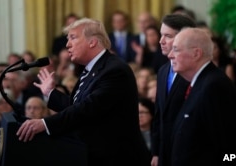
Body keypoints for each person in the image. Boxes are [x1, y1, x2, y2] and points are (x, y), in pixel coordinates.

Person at [16, 17, 151, 166]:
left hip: (117, 158)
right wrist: (51, 93)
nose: (67, 45)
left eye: (73, 38)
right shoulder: (92, 69)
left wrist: (45, 123)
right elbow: (77, 105)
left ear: (92, 42)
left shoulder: (114, 70)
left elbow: (87, 109)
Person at [167, 27, 236, 166]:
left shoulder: (214, 86)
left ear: (196, 54)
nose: (170, 55)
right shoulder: (200, 83)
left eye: (176, 49)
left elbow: (230, 149)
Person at [150, 14, 196, 166]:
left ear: (184, 38)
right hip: (164, 153)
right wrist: (156, 152)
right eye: (161, 35)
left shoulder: (194, 72)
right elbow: (158, 115)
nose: (161, 41)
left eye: (167, 36)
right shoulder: (163, 71)